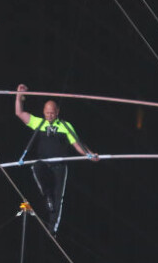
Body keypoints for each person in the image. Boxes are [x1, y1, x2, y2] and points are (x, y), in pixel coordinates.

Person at [15, 84, 98, 233]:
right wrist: (19, 95)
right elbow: (19, 112)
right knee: (36, 167)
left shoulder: (66, 126)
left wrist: (89, 155)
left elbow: (77, 144)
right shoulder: (38, 123)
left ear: (57, 112)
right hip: (44, 165)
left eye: (52, 113)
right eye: (47, 113)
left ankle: (52, 230)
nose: (50, 116)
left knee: (57, 199)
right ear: (43, 112)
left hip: (60, 167)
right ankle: (47, 196)